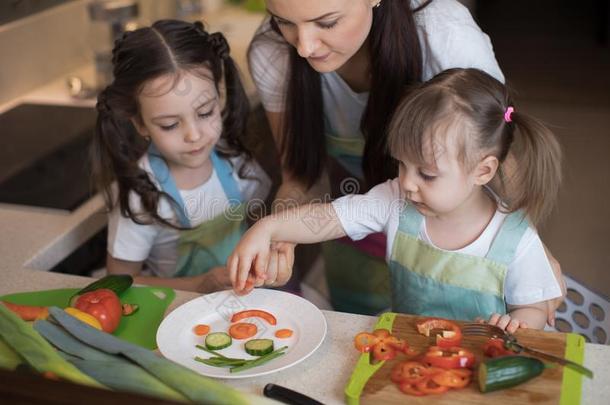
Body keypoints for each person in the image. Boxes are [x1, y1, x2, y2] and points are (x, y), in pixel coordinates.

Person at [247, 0, 563, 317]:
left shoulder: (444, 34)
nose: (304, 47)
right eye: (282, 22)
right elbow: (302, 179)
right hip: (355, 197)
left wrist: (527, 245)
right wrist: (277, 230)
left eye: (327, 22)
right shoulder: (393, 196)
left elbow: (491, 143)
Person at [91, 20, 291, 293]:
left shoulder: (234, 162)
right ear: (139, 123)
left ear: (219, 96)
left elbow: (262, 223)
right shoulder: (142, 196)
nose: (194, 135)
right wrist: (200, 283)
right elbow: (117, 282)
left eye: (205, 112)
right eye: (170, 125)